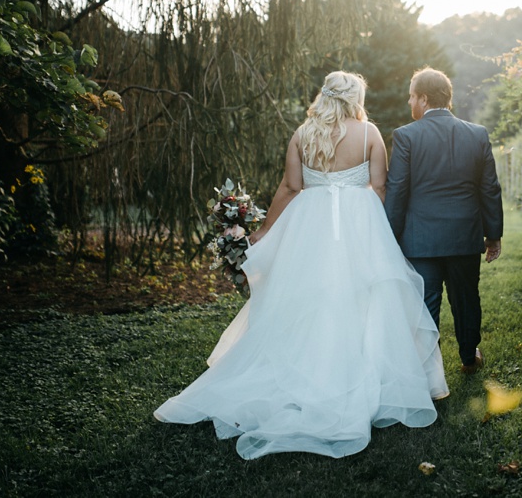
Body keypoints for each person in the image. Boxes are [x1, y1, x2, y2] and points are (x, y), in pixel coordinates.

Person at [154, 71, 448, 460]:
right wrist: (376, 231)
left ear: (324, 96)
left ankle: (304, 371)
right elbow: (380, 187)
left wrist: (263, 230)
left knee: (307, 297)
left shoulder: (303, 134)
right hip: (361, 222)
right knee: (366, 297)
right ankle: (366, 375)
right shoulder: (369, 134)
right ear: (355, 98)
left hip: (311, 224)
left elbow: (290, 188)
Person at [384, 67, 504, 375]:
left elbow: (397, 191)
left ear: (423, 99)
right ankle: (468, 357)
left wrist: (389, 237)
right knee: (466, 298)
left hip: (420, 239)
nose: (409, 102)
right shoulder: (477, 133)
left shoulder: (406, 136)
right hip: (464, 235)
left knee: (426, 304)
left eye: (411, 96)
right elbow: (489, 188)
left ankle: (428, 370)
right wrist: (493, 235)